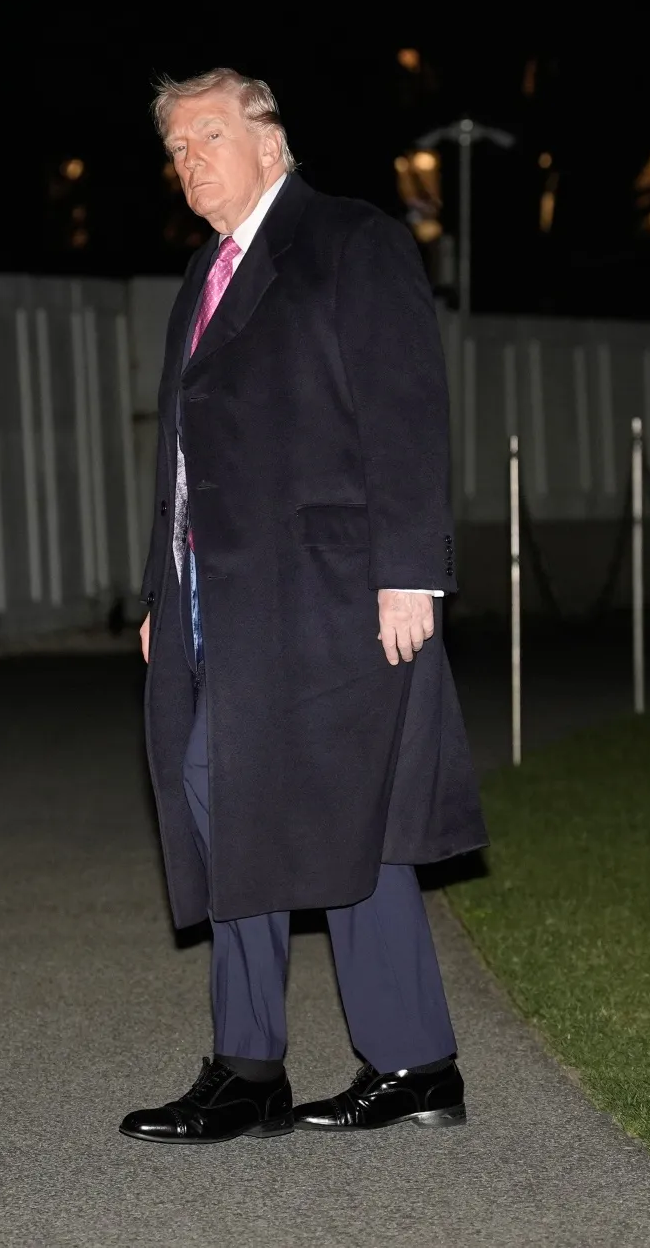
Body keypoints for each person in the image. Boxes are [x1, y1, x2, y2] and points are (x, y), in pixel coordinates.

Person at [119, 68, 486, 1145]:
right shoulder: (205, 272)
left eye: (208, 136)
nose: (189, 161)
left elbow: (404, 406)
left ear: (270, 141)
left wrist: (410, 571)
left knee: (293, 802)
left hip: (330, 594)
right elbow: (180, 456)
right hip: (221, 600)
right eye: (175, 148)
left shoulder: (349, 242)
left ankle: (260, 1068)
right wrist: (161, 587)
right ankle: (407, 1063)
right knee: (301, 811)